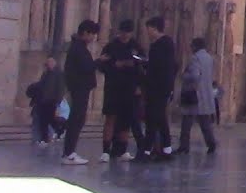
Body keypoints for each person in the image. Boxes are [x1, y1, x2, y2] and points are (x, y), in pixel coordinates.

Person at [97, 19, 143, 162]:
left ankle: (122, 150)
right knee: (110, 117)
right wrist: (116, 65)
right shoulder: (111, 46)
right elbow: (102, 65)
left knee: (126, 120)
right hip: (113, 87)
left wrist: (139, 85)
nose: (125, 35)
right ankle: (106, 150)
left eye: (128, 32)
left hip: (129, 88)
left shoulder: (136, 46)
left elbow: (142, 64)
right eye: (124, 32)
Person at [61, 20, 100, 165]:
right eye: (92, 34)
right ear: (85, 33)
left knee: (78, 119)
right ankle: (69, 153)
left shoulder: (78, 47)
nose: (93, 37)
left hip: (80, 88)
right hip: (79, 88)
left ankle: (70, 152)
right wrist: (99, 62)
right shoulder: (78, 48)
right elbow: (86, 67)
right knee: (76, 119)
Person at [142, 16, 177, 162]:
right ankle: (166, 149)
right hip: (160, 86)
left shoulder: (161, 45)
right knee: (160, 118)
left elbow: (160, 67)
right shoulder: (164, 44)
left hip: (158, 87)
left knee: (153, 118)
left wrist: (146, 65)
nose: (147, 32)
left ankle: (146, 151)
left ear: (155, 28)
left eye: (148, 29)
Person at [176, 37, 218, 154]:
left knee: (187, 122)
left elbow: (195, 75)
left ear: (195, 46)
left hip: (194, 94)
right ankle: (211, 143)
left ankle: (184, 146)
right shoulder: (209, 58)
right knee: (205, 122)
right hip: (206, 94)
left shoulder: (195, 58)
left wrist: (183, 76)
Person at [30, 56, 65, 147]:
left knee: (51, 119)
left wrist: (58, 101)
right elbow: (42, 85)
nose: (49, 64)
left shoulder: (59, 74)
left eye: (50, 62)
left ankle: (60, 131)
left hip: (52, 101)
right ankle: (44, 139)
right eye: (48, 62)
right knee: (43, 121)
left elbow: (60, 88)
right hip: (43, 101)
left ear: (54, 63)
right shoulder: (45, 73)